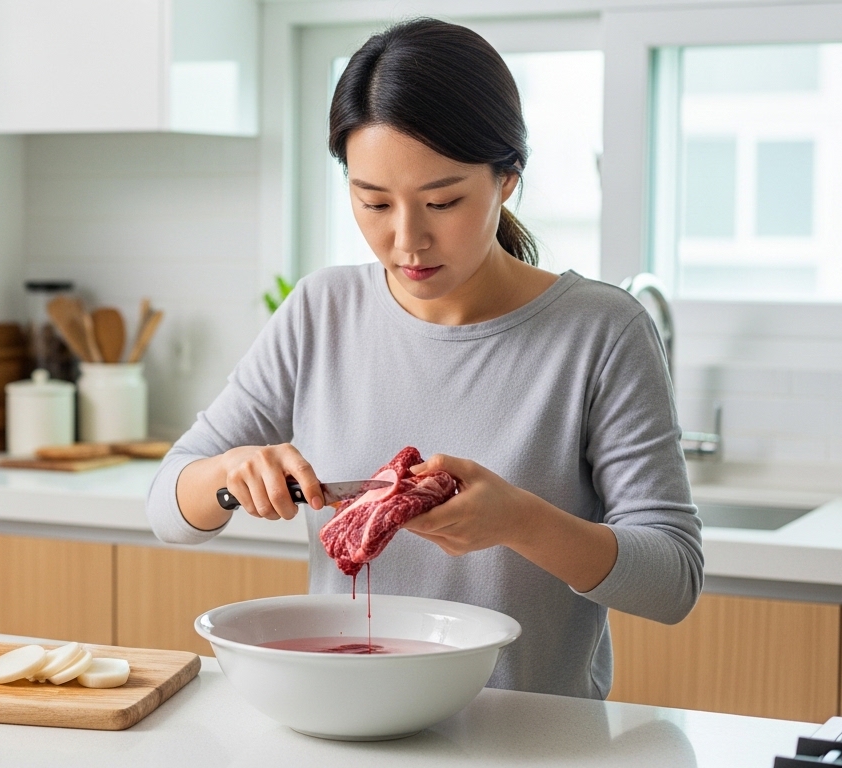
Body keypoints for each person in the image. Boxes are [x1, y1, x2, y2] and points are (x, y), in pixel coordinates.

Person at [144, 18, 702, 699]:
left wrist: (518, 521)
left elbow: (672, 579)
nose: (407, 239)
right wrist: (228, 475)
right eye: (373, 201)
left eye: (443, 201)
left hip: (527, 740)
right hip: (347, 725)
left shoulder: (602, 332)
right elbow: (168, 507)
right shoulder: (321, 311)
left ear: (506, 180)